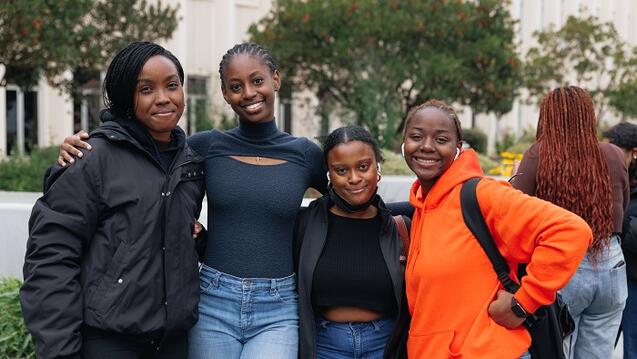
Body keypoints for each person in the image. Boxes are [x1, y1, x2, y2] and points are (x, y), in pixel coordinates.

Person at [20, 41, 206, 359]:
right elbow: (50, 259)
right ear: (125, 96)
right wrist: (60, 351)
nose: (163, 98)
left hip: (172, 343)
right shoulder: (92, 158)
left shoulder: (190, 164)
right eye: (146, 89)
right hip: (109, 341)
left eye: (172, 85)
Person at [402, 99, 591, 358]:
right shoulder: (424, 206)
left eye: (441, 139)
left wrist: (523, 303)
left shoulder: (481, 194)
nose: (426, 146)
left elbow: (571, 231)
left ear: (458, 148)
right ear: (404, 142)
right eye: (416, 136)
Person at [512, 86, 629, 359]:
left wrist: (515, 177)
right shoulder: (613, 154)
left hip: (562, 264)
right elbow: (619, 208)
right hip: (611, 259)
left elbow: (517, 211)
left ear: (547, 116)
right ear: (589, 115)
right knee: (599, 351)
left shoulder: (539, 154)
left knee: (557, 347)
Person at [294, 125, 410, 359]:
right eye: (341, 170)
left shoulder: (400, 228)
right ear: (329, 175)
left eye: (363, 167)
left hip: (384, 345)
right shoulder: (305, 223)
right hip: (325, 345)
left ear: (377, 168)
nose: (354, 178)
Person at [603, 121, 637, 359]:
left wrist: (617, 225)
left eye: (617, 151)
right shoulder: (613, 177)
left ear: (634, 153)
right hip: (613, 274)